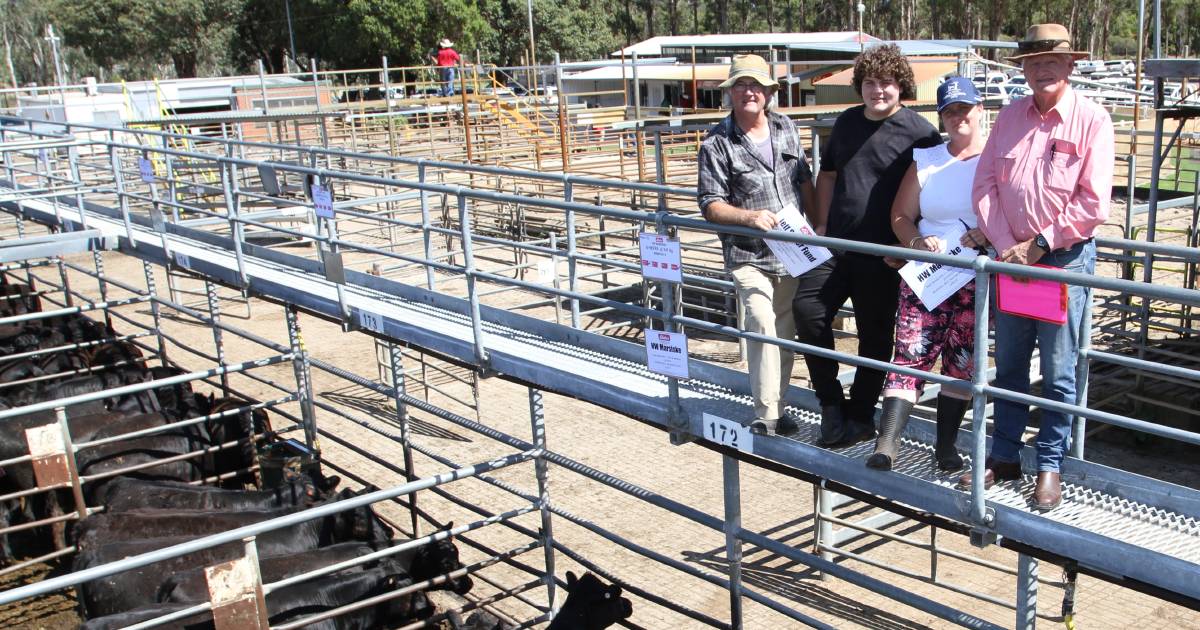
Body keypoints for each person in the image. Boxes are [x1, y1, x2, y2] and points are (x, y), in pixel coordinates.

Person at [964, 23, 1113, 511]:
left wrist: (1041, 244)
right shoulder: (1009, 118)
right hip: (1013, 263)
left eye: (1052, 60)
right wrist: (1010, 246)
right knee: (1008, 364)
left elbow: (1094, 202)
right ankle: (1005, 454)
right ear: (1023, 69)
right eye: (1033, 62)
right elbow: (985, 185)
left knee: (1057, 369)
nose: (1042, 68)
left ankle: (1049, 463)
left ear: (1071, 65)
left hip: (1062, 263)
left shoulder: (1092, 120)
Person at [793, 44, 942, 447]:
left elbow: (930, 193)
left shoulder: (921, 133)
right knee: (808, 311)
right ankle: (829, 403)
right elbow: (827, 175)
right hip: (838, 245)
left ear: (901, 87)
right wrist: (822, 223)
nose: (879, 91)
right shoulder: (845, 123)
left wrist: (906, 245)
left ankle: (860, 415)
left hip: (885, 255)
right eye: (871, 83)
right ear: (860, 86)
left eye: (888, 83)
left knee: (875, 335)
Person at [866, 77, 991, 471]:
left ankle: (946, 448)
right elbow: (901, 215)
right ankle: (887, 445)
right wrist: (916, 242)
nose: (958, 118)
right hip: (929, 275)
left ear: (980, 110)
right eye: (949, 112)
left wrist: (989, 232)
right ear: (941, 117)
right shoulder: (928, 159)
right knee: (910, 353)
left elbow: (1014, 213)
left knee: (963, 361)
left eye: (964, 109)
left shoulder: (998, 159)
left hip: (976, 273)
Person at [697, 54, 817, 435]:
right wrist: (749, 218)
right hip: (748, 253)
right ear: (730, 92)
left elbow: (804, 181)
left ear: (768, 92)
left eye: (756, 85)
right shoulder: (717, 143)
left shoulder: (786, 128)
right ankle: (765, 415)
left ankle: (777, 409)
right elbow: (710, 204)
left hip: (791, 249)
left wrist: (818, 228)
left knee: (784, 331)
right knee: (762, 324)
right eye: (741, 85)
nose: (749, 92)